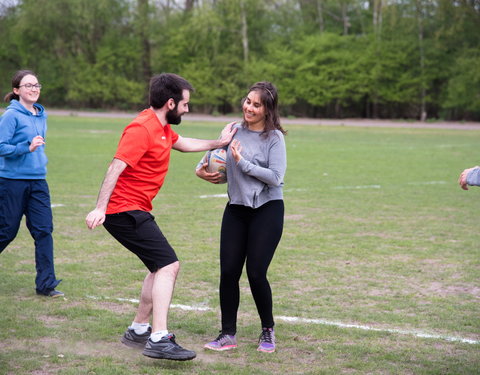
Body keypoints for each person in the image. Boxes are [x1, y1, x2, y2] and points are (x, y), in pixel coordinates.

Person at [85, 73, 237, 361]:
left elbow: (183, 143)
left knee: (158, 268)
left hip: (134, 209)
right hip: (123, 210)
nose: (187, 109)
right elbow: (115, 167)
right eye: (185, 104)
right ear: (170, 103)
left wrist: (219, 143)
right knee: (169, 265)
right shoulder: (141, 128)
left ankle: (139, 330)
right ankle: (159, 338)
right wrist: (99, 208)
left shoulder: (162, 128)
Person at [196, 81, 287, 353]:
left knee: (256, 273)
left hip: (267, 210)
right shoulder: (233, 129)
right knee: (228, 273)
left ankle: (268, 330)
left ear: (267, 109)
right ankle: (227, 334)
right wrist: (201, 171)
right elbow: (211, 157)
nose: (249, 107)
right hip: (236, 208)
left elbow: (276, 177)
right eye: (248, 101)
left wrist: (243, 162)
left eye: (256, 104)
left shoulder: (274, 138)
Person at [0, 70, 63, 298]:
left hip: (38, 182)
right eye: (28, 85)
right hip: (12, 182)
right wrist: (25, 148)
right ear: (17, 91)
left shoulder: (40, 114)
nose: (34, 89)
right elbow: (1, 147)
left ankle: (46, 284)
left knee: (44, 231)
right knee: (6, 232)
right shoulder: (11, 116)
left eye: (36, 85)